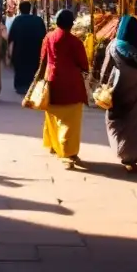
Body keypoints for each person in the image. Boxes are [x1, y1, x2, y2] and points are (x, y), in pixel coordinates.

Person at [100, 15, 137, 170]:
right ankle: (132, 157)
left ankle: (121, 150)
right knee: (135, 124)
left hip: (118, 88)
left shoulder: (113, 46)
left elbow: (105, 69)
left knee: (116, 120)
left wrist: (102, 85)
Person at [38, 9, 90, 168]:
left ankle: (54, 145)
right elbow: (83, 64)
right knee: (70, 122)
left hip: (52, 81)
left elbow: (43, 59)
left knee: (53, 116)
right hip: (72, 84)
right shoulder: (75, 42)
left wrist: (40, 78)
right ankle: (68, 154)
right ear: (71, 23)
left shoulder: (49, 37)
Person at [8, 1, 47, 96]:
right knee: (33, 68)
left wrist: (8, 51)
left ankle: (20, 86)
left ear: (20, 9)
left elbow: (11, 37)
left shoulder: (17, 20)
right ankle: (32, 86)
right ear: (30, 9)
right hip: (35, 50)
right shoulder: (38, 20)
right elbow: (44, 36)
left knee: (20, 68)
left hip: (20, 50)